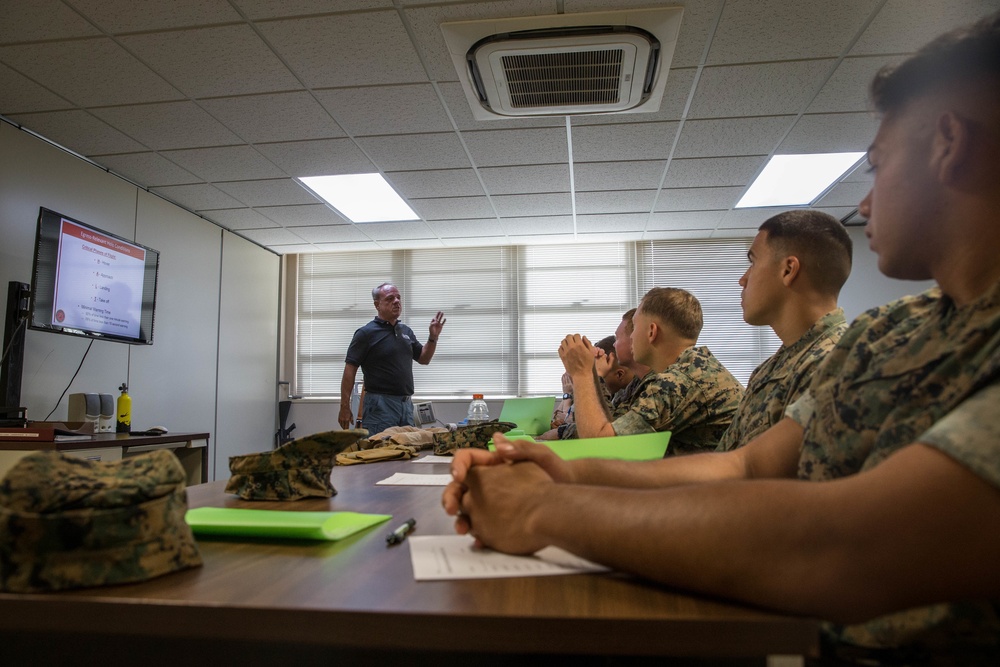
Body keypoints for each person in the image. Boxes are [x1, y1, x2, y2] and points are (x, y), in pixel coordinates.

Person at [443, 12, 1000, 662]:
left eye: (878, 164)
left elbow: (857, 543)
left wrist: (542, 511)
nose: (866, 203)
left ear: (949, 144)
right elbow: (744, 466)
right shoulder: (887, 331)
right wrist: (560, 473)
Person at [717, 209, 852, 451]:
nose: (742, 279)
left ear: (788, 270)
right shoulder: (771, 368)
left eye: (753, 262)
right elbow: (729, 459)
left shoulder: (836, 363)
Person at [558, 287, 743, 454]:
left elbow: (602, 448)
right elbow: (611, 429)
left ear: (651, 332)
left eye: (635, 327)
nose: (631, 337)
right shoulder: (693, 368)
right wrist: (590, 372)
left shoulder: (678, 381)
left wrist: (581, 373)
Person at [338, 283, 445, 436]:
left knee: (407, 451)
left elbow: (424, 358)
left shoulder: (406, 332)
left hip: (406, 405)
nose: (396, 301)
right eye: (390, 298)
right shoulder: (366, 333)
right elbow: (350, 369)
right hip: (380, 406)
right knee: (381, 453)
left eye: (398, 297)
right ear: (377, 305)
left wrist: (433, 337)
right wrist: (344, 406)